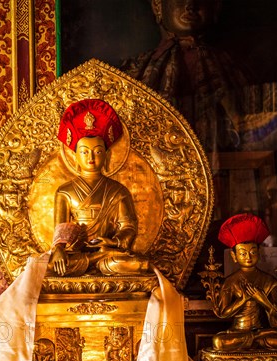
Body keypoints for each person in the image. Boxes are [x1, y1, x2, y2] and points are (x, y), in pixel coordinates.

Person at [121, 0, 254, 152]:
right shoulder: (134, 72)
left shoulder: (234, 71)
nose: (190, 5)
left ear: (215, 7)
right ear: (158, 6)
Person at [48, 98, 149, 276]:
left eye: (98, 151)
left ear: (107, 156)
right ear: (75, 157)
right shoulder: (65, 191)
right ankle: (93, 263)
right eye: (84, 152)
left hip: (108, 254)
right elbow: (61, 229)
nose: (91, 157)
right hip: (77, 255)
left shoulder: (118, 190)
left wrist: (114, 243)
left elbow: (128, 226)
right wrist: (58, 249)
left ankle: (97, 262)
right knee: (49, 268)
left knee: (139, 264)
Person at [212, 213, 277, 350]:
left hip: (262, 331)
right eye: (242, 253)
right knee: (218, 342)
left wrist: (263, 301)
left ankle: (255, 339)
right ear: (234, 256)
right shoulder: (230, 282)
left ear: (259, 252)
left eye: (253, 252)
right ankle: (254, 340)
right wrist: (242, 300)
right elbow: (223, 313)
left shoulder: (268, 280)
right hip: (238, 332)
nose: (248, 257)